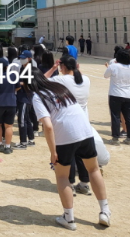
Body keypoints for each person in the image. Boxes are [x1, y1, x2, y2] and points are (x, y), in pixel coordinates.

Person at [30, 68, 112, 230]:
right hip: (85, 131)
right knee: (94, 169)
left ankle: (69, 218)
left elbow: (47, 126)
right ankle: (105, 211)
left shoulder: (37, 96)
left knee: (62, 177)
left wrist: (53, 152)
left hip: (65, 137)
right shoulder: (59, 88)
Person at [45, 55, 92, 194]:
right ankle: (84, 183)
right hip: (84, 122)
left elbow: (41, 80)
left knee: (68, 155)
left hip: (69, 122)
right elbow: (77, 77)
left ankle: (70, 183)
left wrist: (53, 68)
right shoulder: (86, 79)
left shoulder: (61, 80)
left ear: (62, 66)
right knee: (82, 155)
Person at [0, 45, 18, 155]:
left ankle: (0, 144)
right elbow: (18, 87)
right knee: (9, 125)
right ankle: (8, 146)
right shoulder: (14, 75)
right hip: (11, 102)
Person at [104, 50, 130, 145]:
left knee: (115, 116)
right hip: (129, 95)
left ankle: (115, 138)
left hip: (115, 94)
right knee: (129, 117)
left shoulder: (114, 66)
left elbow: (106, 75)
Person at [14, 51, 35, 150]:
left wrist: (20, 83)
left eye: (24, 58)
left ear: (29, 58)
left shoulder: (31, 70)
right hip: (22, 96)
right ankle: (31, 139)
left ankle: (23, 143)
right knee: (26, 119)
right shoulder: (23, 68)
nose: (22, 60)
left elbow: (31, 85)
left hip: (25, 97)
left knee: (21, 120)